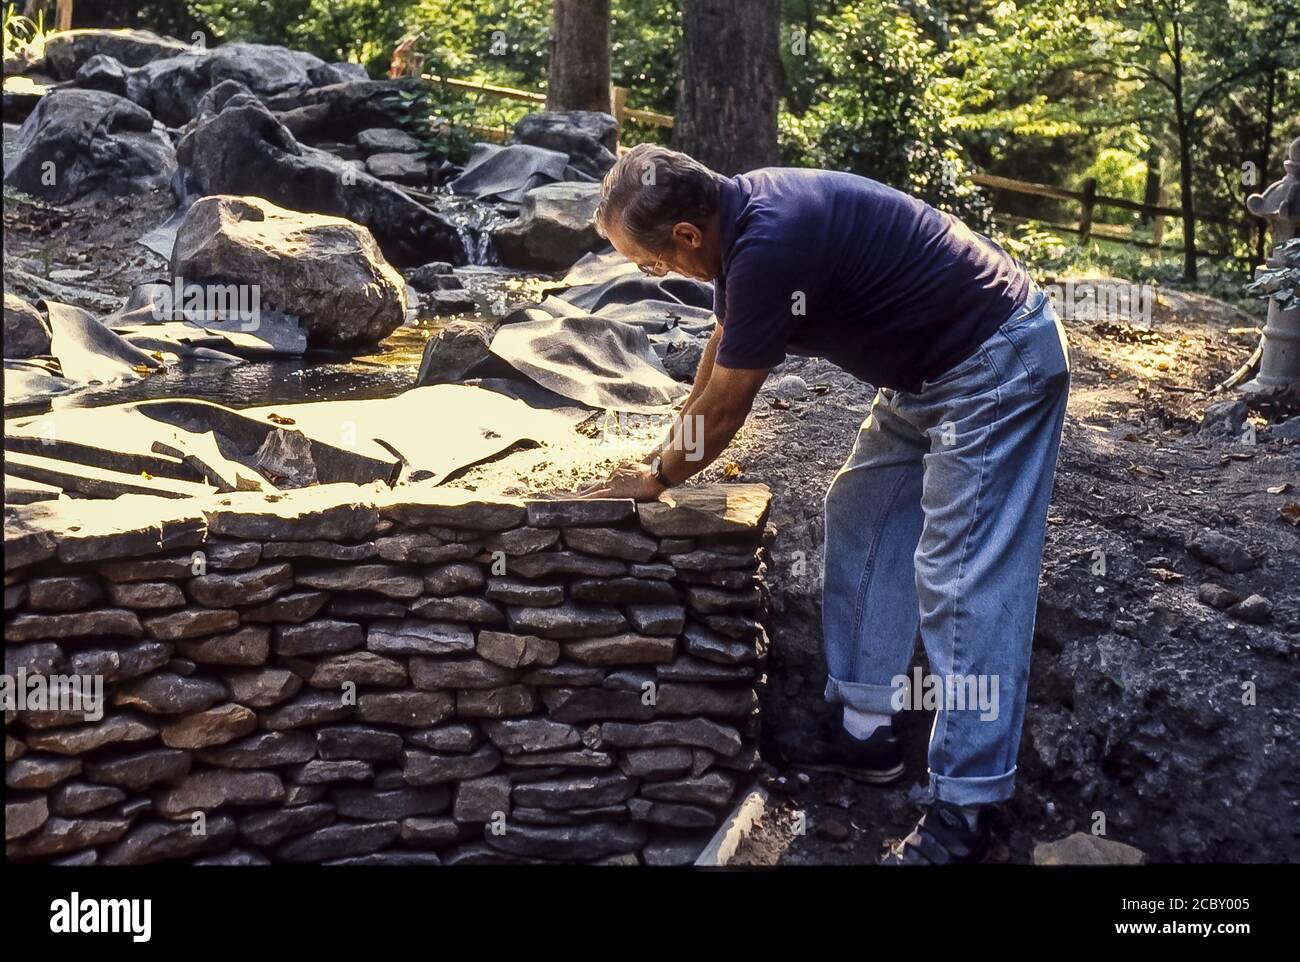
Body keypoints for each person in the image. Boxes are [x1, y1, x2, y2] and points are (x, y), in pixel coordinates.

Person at [579, 143, 1071, 865]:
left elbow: (725, 409)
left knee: (962, 575)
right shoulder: (740, 220)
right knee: (863, 512)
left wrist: (656, 477)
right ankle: (867, 728)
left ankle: (968, 808)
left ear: (686, 234)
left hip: (995, 362)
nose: (655, 276)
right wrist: (661, 454)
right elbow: (719, 351)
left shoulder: (771, 240)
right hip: (929, 371)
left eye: (651, 264)